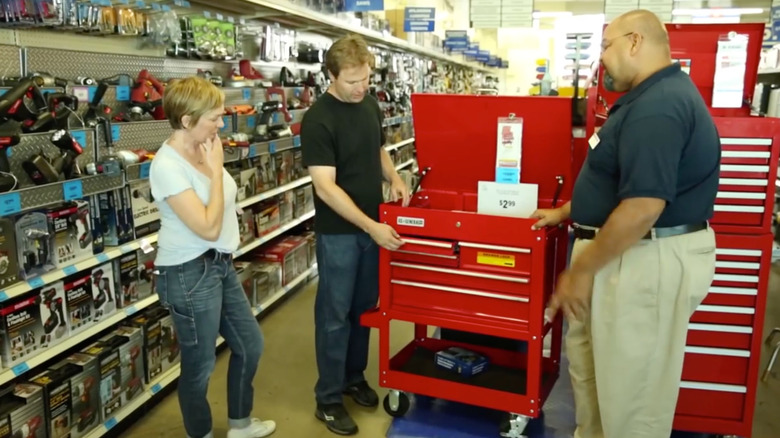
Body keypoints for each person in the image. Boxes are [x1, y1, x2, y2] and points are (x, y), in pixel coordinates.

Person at [531, 9, 720, 438]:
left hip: (642, 260)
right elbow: (618, 181)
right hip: (622, 257)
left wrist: (581, 271)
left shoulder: (660, 107)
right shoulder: (645, 98)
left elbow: (641, 208)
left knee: (633, 404)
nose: (602, 59)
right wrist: (568, 213)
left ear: (635, 42)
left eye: (606, 46)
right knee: (598, 386)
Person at [149, 76, 275, 438]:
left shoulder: (206, 146)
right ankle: (200, 433)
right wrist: (218, 172)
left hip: (218, 264)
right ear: (186, 121)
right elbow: (206, 227)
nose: (222, 125)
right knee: (200, 364)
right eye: (214, 118)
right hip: (188, 272)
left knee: (250, 344)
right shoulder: (167, 165)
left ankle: (239, 423)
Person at [301, 34, 410, 436]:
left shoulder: (368, 104)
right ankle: (327, 398)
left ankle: (353, 377)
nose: (362, 86)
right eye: (352, 81)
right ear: (331, 76)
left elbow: (378, 148)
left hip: (372, 227)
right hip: (341, 233)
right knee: (334, 316)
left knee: (363, 309)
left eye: (365, 78)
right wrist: (371, 226)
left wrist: (395, 177)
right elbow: (326, 188)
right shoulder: (318, 120)